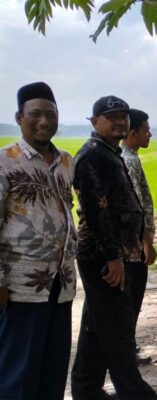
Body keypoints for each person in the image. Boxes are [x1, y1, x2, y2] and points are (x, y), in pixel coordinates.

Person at [71, 95, 157, 400]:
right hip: (104, 256)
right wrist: (114, 258)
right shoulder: (93, 155)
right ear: (95, 122)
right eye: (112, 117)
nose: (120, 121)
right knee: (118, 329)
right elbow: (96, 211)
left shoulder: (110, 152)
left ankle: (86, 389)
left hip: (115, 253)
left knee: (97, 325)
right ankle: (135, 393)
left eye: (123, 116)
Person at [0, 82, 77, 400]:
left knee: (53, 368)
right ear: (19, 117)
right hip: (19, 286)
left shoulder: (66, 161)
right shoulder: (6, 160)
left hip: (62, 284)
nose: (44, 121)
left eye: (50, 113)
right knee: (17, 373)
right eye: (35, 114)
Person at [121, 108, 157, 365]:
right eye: (145, 130)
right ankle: (126, 350)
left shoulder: (128, 157)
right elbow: (135, 207)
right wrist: (146, 242)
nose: (150, 134)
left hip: (133, 243)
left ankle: (126, 347)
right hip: (133, 246)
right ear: (132, 133)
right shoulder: (129, 161)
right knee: (131, 301)